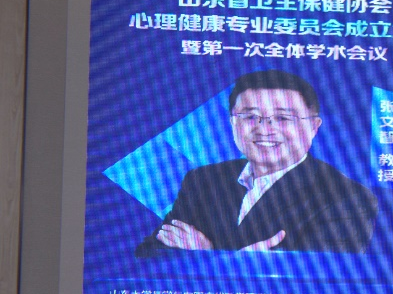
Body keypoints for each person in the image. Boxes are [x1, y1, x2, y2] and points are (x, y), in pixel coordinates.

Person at [136, 69, 378, 255]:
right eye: (250, 116)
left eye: (282, 118)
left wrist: (212, 256)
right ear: (232, 122)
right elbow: (149, 254)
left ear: (314, 127)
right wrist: (239, 261)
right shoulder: (202, 180)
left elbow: (317, 283)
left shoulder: (348, 198)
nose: (264, 129)